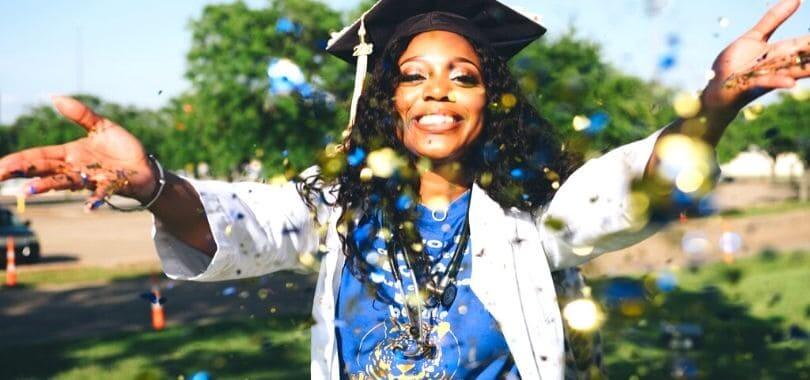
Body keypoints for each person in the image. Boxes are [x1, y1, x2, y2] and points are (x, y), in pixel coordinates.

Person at [0, 0, 807, 378]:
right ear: (387, 98)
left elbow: (636, 185)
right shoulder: (340, 207)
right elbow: (239, 224)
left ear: (492, 98)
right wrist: (152, 186)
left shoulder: (536, 214)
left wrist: (719, 102)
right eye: (413, 75)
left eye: (463, 76)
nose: (437, 91)